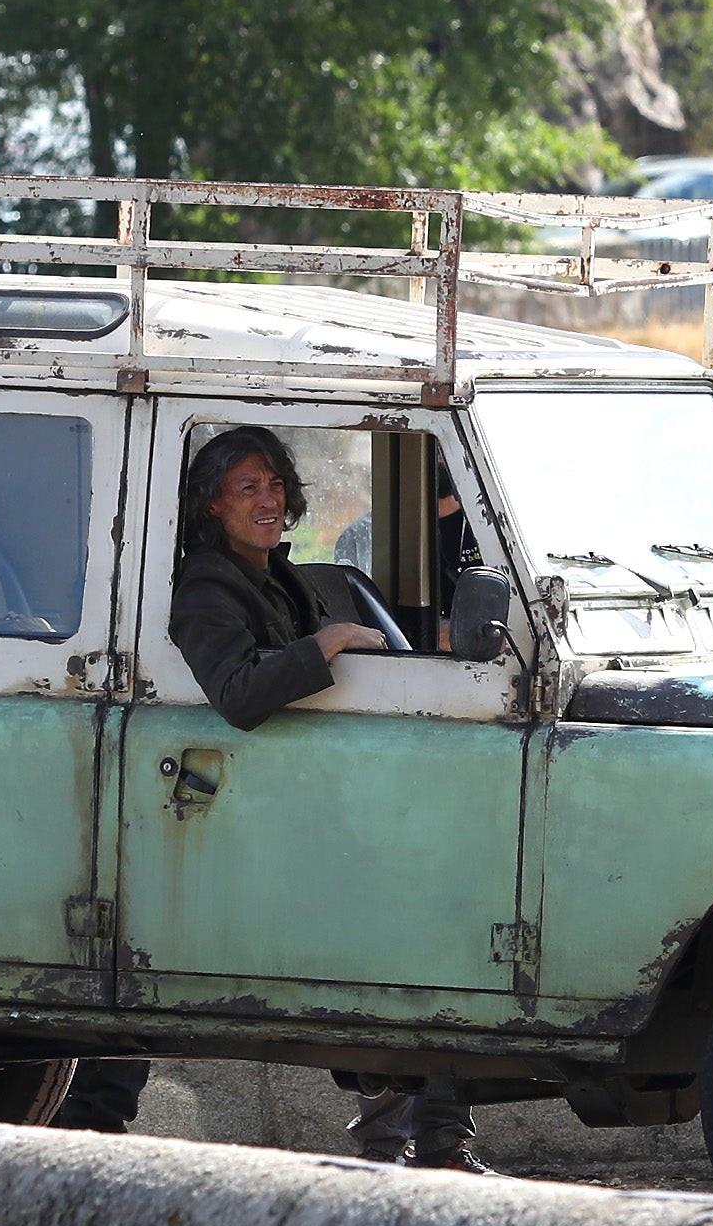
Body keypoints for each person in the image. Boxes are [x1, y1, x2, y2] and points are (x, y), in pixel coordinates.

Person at [165, 424, 491, 1172]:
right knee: (393, 948)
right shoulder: (209, 585)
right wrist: (329, 642)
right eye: (247, 488)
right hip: (259, 810)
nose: (268, 500)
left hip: (320, 798)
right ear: (211, 505)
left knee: (435, 941)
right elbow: (240, 692)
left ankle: (442, 1142)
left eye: (276, 485)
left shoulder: (280, 573)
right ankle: (391, 1144)